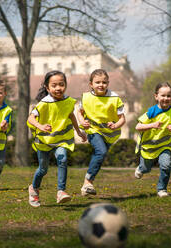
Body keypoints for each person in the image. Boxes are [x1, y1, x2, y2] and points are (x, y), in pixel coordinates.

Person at [27, 70, 86, 207]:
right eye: (54, 85)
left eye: (61, 84)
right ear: (47, 88)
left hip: (61, 140)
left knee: (62, 159)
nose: (58, 88)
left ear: (65, 85)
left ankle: (61, 191)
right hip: (44, 141)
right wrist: (40, 126)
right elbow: (30, 118)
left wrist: (79, 131)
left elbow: (71, 116)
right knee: (43, 169)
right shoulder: (43, 103)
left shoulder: (68, 101)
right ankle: (34, 189)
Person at [77, 69, 126, 196]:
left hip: (110, 134)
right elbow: (79, 112)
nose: (101, 85)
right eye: (97, 82)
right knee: (101, 152)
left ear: (108, 83)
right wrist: (82, 121)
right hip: (93, 130)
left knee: (100, 156)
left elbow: (122, 119)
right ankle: (88, 181)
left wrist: (115, 125)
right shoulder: (86, 97)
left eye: (104, 82)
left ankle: (86, 185)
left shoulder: (115, 98)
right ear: (91, 84)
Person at [134, 82, 171, 197]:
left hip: (164, 146)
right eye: (163, 95)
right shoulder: (151, 111)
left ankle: (162, 189)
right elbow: (138, 127)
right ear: (156, 96)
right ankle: (141, 168)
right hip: (149, 147)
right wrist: (152, 125)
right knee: (146, 169)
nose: (166, 98)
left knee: (166, 165)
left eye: (168, 96)